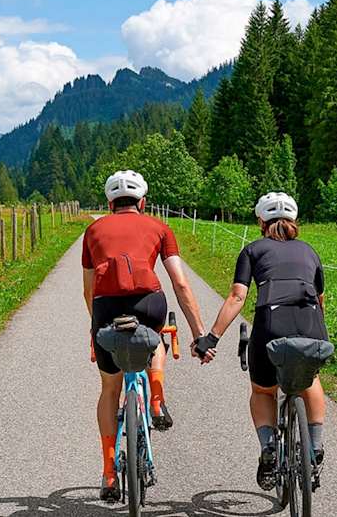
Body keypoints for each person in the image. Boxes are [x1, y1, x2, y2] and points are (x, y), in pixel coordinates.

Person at [82, 170, 210, 501]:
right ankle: (156, 399)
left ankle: (109, 473)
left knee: (109, 388)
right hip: (149, 303)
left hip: (106, 309)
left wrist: (97, 328)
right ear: (143, 201)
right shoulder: (159, 227)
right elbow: (180, 283)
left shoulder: (93, 230)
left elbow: (89, 291)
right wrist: (198, 334)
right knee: (155, 337)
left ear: (110, 203)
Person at [194, 192, 329, 490]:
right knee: (311, 381)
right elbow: (320, 300)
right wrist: (321, 336)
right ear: (295, 221)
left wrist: (211, 337)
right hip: (311, 326)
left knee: (262, 390)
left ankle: (269, 447)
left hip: (270, 326)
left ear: (260, 221)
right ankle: (315, 448)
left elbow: (237, 297)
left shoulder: (252, 250)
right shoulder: (310, 252)